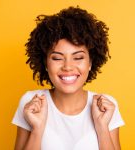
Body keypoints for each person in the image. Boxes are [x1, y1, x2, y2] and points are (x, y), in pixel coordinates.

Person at [12, 6, 125, 150]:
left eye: (78, 57)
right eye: (57, 58)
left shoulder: (106, 107)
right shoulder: (30, 103)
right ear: (45, 63)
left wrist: (102, 127)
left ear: (90, 63)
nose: (68, 67)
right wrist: (37, 130)